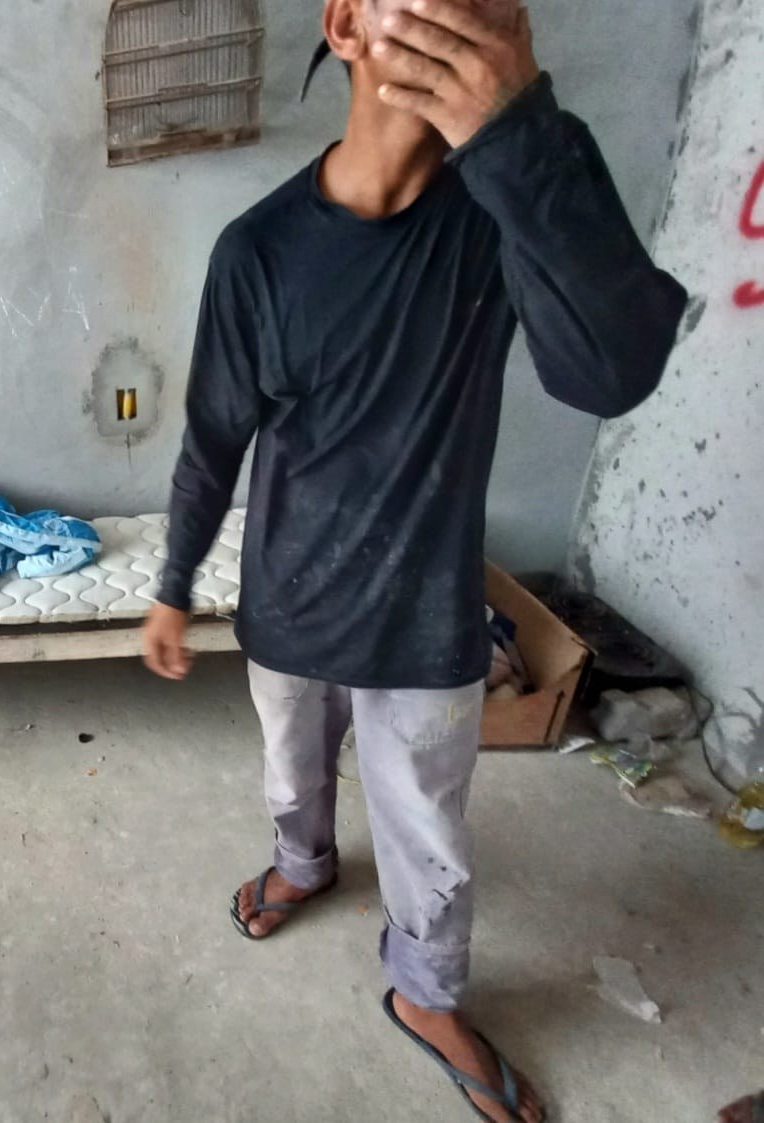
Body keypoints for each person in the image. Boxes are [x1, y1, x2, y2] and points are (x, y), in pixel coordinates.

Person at [140, 1, 687, 1120]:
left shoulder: (506, 203)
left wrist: (521, 133)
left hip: (427, 613)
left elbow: (612, 371)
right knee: (291, 774)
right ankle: (303, 862)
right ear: (346, 24)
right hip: (287, 601)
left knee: (430, 831)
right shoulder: (258, 251)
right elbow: (213, 438)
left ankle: (425, 993)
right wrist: (172, 584)